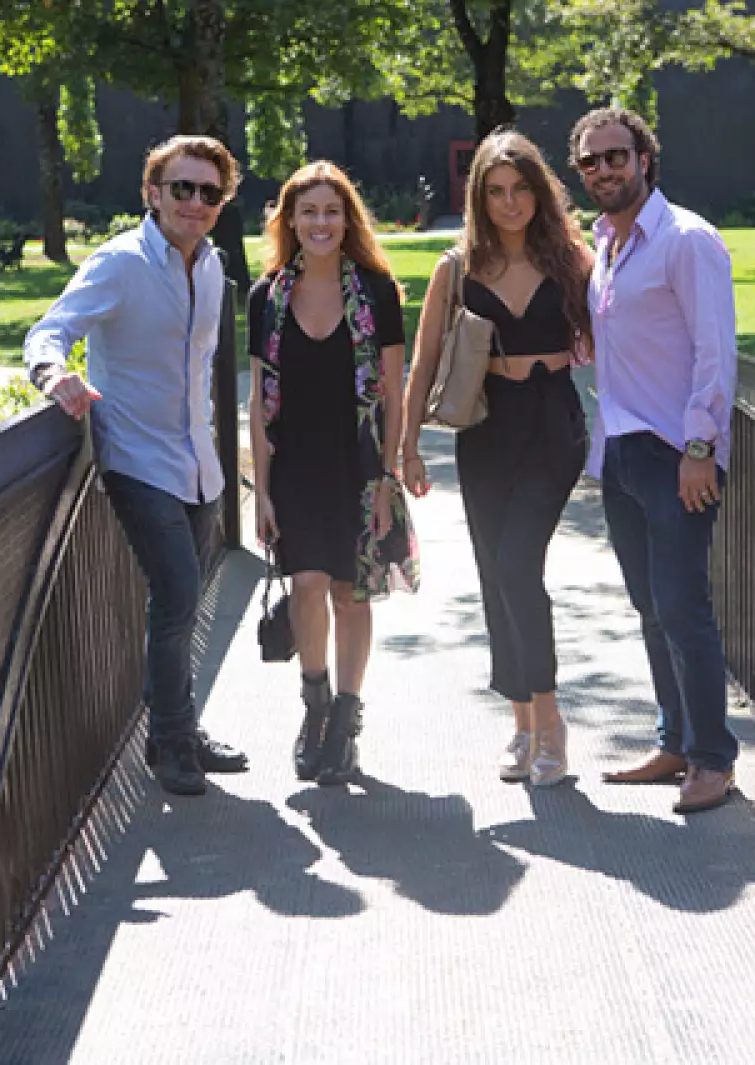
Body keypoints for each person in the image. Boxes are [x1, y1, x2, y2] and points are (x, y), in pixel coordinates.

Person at [23, 136, 249, 797]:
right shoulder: (119, 263)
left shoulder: (210, 268)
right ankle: (172, 738)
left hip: (200, 463)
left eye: (211, 192)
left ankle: (178, 726)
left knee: (186, 596)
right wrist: (54, 375)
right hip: (136, 458)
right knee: (177, 591)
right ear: (153, 193)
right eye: (183, 188)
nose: (196, 202)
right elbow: (50, 328)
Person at [401, 129, 593, 788]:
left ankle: (550, 721)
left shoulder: (574, 259)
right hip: (485, 428)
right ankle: (520, 723)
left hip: (553, 426)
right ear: (480, 197)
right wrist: (407, 450)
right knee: (494, 572)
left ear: (541, 192)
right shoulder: (455, 268)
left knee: (516, 562)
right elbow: (424, 360)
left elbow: (625, 332)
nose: (510, 203)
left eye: (521, 190)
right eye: (496, 191)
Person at [571, 107, 740, 814]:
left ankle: (712, 759)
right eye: (590, 161)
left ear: (645, 158)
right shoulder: (608, 245)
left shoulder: (687, 240)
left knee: (681, 606)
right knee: (649, 608)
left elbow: (715, 351)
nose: (604, 169)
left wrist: (701, 447)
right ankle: (675, 739)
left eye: (616, 155)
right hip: (619, 452)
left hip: (677, 455)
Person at [248, 160, 418, 787]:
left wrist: (386, 479)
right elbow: (259, 402)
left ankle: (346, 724)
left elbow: (395, 394)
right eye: (309, 211)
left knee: (351, 592)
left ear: (349, 219)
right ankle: (313, 709)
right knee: (309, 584)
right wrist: (261, 491)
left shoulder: (375, 291)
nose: (321, 222)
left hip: (359, 464)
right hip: (294, 464)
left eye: (332, 210)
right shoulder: (266, 296)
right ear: (289, 219)